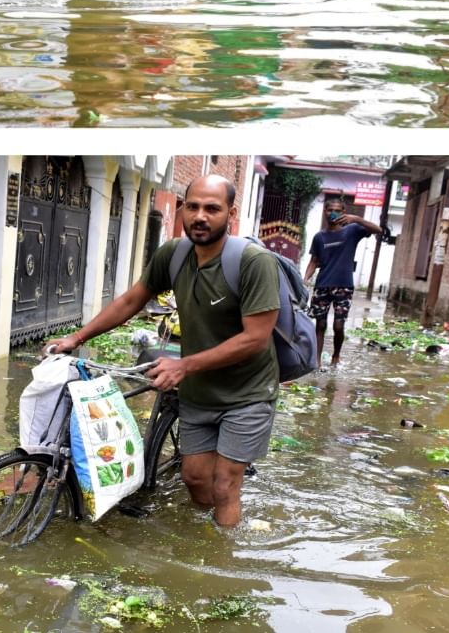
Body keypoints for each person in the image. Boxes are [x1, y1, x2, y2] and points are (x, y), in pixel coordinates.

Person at [42, 175, 279, 528]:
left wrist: (184, 365)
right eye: (193, 206)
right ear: (182, 209)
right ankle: (204, 534)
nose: (200, 216)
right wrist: (76, 337)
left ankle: (222, 555)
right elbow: (131, 301)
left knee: (225, 485)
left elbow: (256, 339)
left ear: (230, 214)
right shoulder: (175, 254)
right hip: (199, 391)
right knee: (194, 478)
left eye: (212, 209)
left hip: (247, 393)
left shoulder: (253, 262)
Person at [302, 198, 383, 370]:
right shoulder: (319, 237)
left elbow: (378, 230)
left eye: (338, 210)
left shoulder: (352, 230)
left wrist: (357, 219)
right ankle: (317, 361)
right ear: (325, 212)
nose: (333, 213)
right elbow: (314, 261)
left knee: (338, 325)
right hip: (322, 285)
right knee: (320, 324)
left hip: (344, 286)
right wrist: (304, 279)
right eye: (330, 210)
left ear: (343, 212)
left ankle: (336, 356)